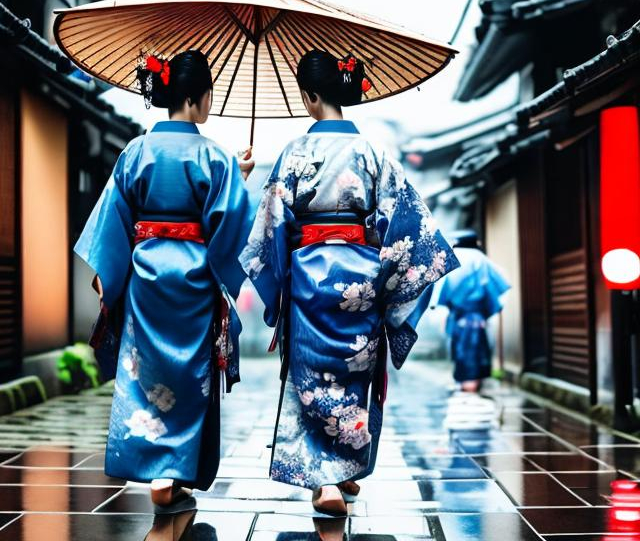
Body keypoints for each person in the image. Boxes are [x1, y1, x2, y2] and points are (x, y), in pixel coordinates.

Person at [240, 50, 459, 515]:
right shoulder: (376, 152)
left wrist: (279, 286)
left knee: (311, 375)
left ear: (309, 95)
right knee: (354, 376)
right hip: (363, 276)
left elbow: (272, 227)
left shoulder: (294, 152)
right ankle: (345, 470)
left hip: (307, 277)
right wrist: (386, 280)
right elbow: (407, 229)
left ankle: (328, 482)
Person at [74, 49, 254, 511]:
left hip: (145, 273)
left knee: (145, 372)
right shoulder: (215, 156)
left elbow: (113, 219)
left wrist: (109, 280)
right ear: (199, 98)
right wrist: (238, 175)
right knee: (192, 374)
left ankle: (155, 471)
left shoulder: (136, 150)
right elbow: (232, 222)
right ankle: (177, 470)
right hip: (195, 274)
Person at [437, 229, 510, 393]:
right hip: (478, 317)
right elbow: (500, 284)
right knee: (478, 352)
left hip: (457, 317)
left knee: (460, 352)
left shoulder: (452, 260)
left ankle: (464, 384)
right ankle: (474, 385)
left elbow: (441, 292)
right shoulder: (482, 260)